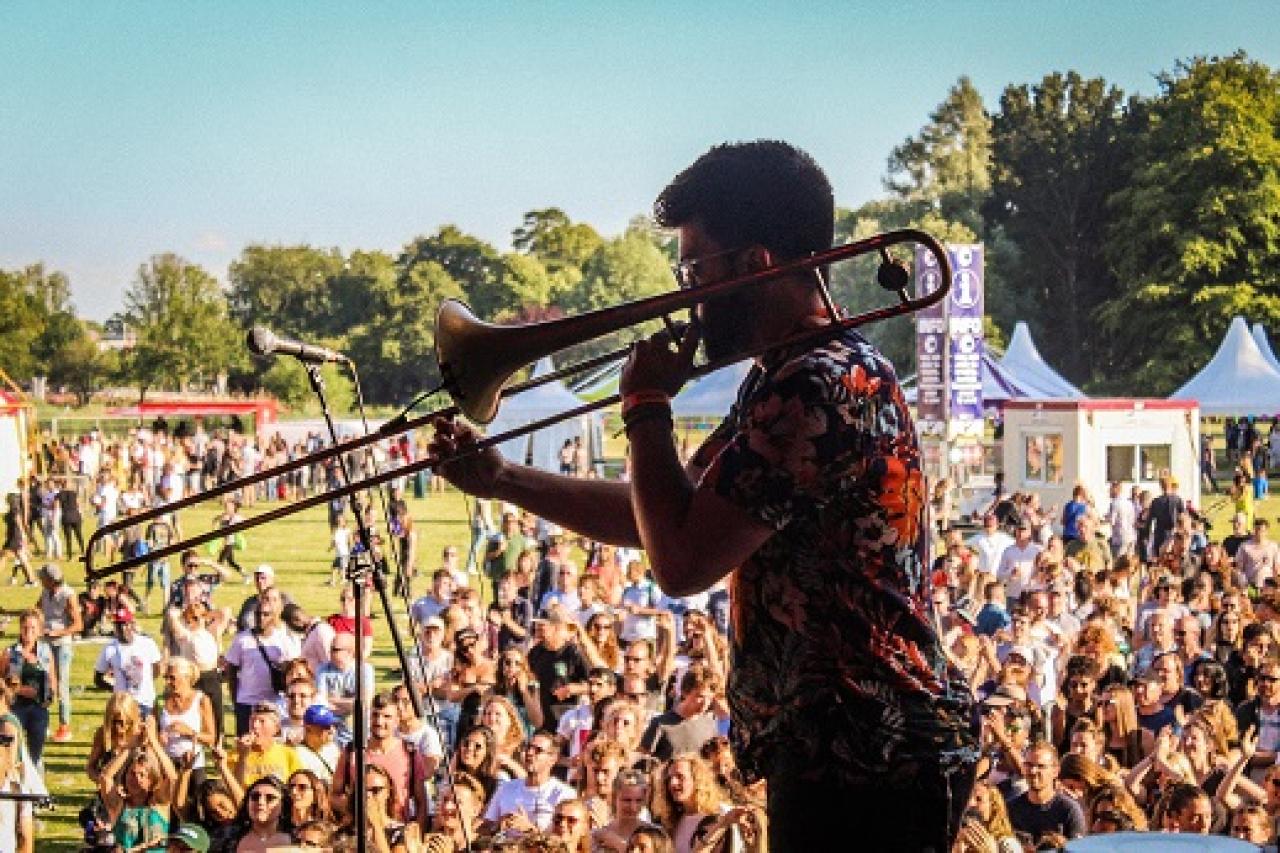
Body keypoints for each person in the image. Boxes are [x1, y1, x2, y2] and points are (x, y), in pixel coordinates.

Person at [431, 140, 975, 851]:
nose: (685, 292)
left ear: (756, 265)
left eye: (694, 268)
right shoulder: (784, 376)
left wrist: (647, 404)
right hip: (849, 745)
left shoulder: (814, 384)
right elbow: (670, 511)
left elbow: (682, 565)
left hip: (869, 748)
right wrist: (503, 479)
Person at [36, 562, 82, 743]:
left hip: (62, 645)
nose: (40, 580)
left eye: (43, 578)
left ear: (51, 580)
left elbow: (78, 625)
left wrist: (57, 632)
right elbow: (36, 611)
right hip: (46, 643)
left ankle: (64, 726)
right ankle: (43, 721)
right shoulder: (45, 593)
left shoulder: (68, 595)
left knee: (62, 684)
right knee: (45, 682)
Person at [94, 606, 163, 717]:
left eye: (126, 624)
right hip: (122, 704)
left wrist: (145, 681)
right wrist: (115, 688)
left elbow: (157, 668)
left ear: (132, 624)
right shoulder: (110, 649)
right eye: (119, 625)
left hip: (147, 702)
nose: (123, 628)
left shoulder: (147, 643)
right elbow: (98, 678)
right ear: (115, 627)